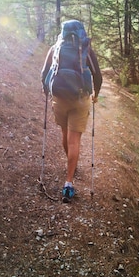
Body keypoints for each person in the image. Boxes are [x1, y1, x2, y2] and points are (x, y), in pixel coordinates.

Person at [41, 20, 102, 203]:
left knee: (65, 134)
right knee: (74, 140)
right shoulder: (86, 49)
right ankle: (68, 182)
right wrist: (96, 95)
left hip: (59, 98)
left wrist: (47, 92)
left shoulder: (55, 48)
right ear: (81, 32)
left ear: (63, 32)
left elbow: (44, 73)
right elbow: (97, 76)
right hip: (80, 99)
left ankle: (71, 163)